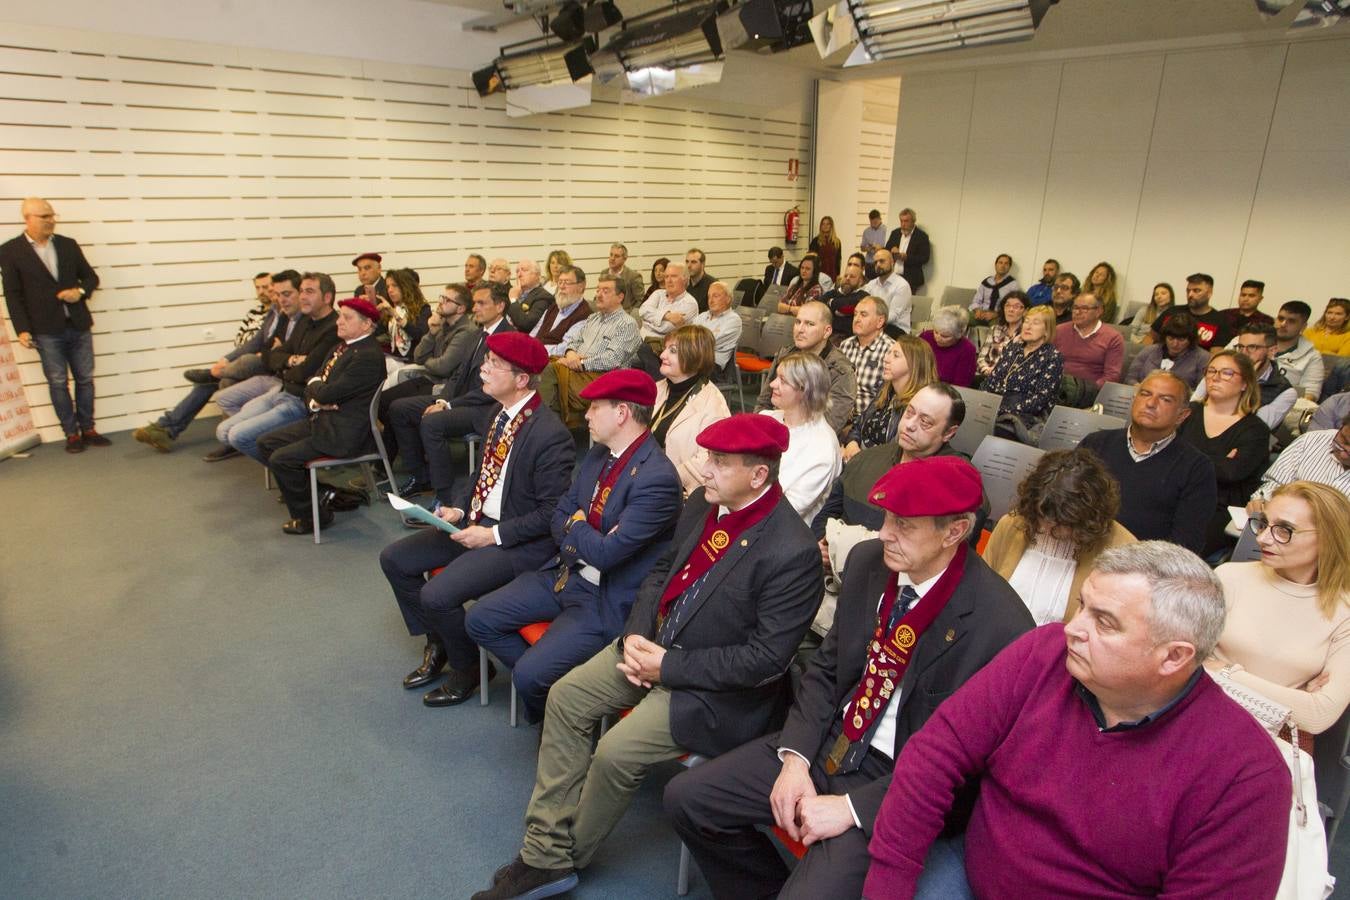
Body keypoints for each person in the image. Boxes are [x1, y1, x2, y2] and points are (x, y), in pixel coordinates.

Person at [471, 415, 823, 900]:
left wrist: (667, 667)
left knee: (615, 752)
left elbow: (764, 660)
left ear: (758, 475)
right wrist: (637, 634)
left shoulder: (792, 550)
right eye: (706, 457)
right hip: (651, 647)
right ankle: (546, 850)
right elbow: (661, 570)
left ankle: (558, 858)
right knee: (567, 697)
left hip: (710, 692)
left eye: (720, 462)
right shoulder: (704, 502)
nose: (704, 469)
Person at [665, 456, 1035, 900]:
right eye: (886, 518)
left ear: (954, 531)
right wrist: (796, 758)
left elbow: (961, 768)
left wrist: (852, 809)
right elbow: (825, 669)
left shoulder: (1002, 625)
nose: (884, 534)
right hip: (829, 740)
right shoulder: (869, 563)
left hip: (898, 779)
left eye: (904, 524)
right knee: (687, 799)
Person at [864, 541, 1291, 900]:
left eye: (1104, 622)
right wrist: (890, 884)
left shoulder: (1246, 776)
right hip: (971, 872)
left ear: (1174, 656)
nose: (1073, 629)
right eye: (1082, 606)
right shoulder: (1044, 653)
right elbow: (935, 756)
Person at [464, 369, 682, 724]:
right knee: (479, 619)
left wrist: (577, 525)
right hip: (566, 572)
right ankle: (560, 698)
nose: (587, 415)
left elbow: (606, 555)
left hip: (603, 598)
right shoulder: (600, 454)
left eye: (594, 408)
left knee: (529, 675)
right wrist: (580, 530)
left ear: (622, 413)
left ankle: (557, 709)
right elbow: (560, 513)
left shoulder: (657, 479)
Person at [377, 333, 575, 704]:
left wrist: (492, 535)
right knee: (395, 560)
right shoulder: (498, 414)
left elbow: (551, 514)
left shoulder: (550, 435)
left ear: (521, 379)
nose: (483, 367)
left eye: (494, 364)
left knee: (436, 594)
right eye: (486, 360)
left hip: (519, 542)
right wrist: (459, 508)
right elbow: (483, 474)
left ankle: (468, 669)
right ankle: (441, 640)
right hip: (477, 523)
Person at [1209, 480, 1350, 735]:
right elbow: (1179, 660)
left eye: (1285, 530)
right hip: (1197, 713)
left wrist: (1224, 671)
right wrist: (1290, 697)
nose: (1262, 538)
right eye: (1263, 524)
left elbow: (1318, 715)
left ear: (1328, 538)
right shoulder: (1229, 577)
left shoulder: (1345, 611)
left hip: (1260, 738)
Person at [256, 297, 387, 534]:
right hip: (324, 419)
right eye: (340, 315)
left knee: (281, 460)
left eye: (347, 317)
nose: (339, 321)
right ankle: (319, 494)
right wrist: (317, 402)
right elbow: (312, 382)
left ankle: (312, 517)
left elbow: (325, 389)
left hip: (345, 433)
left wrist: (319, 392)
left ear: (367, 324)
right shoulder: (342, 346)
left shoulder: (367, 355)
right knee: (265, 444)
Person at [388, 282, 514, 504]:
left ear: (500, 306)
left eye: (481, 303)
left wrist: (448, 406)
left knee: (432, 423)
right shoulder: (478, 335)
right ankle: (421, 476)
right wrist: (443, 400)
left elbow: (492, 389)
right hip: (462, 400)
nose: (475, 308)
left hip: (486, 408)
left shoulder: (509, 338)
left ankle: (445, 496)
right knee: (399, 409)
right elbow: (457, 375)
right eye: (474, 303)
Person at [983, 449, 1136, 624]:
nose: (1047, 527)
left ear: (1088, 518)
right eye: (1042, 516)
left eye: (1061, 523)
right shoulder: (1014, 524)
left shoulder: (1122, 550)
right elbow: (983, 591)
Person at [1, 197, 105, 452]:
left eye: (52, 215)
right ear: (28, 218)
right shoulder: (10, 251)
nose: (51, 221)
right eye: (45, 217)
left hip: (78, 323)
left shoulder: (68, 245)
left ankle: (88, 428)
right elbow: (12, 294)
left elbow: (91, 278)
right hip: (45, 329)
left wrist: (79, 292)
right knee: (58, 382)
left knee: (85, 379)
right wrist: (23, 329)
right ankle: (72, 434)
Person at [133, 273, 281, 451]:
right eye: (258, 288)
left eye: (267, 287)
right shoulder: (254, 313)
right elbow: (242, 342)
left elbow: (264, 345)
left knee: (215, 378)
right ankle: (167, 428)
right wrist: (225, 360)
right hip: (240, 364)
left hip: (260, 365)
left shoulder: (278, 313)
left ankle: (167, 426)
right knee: (215, 381)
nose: (264, 292)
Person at [816, 383, 971, 545]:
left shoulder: (958, 484)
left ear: (948, 432)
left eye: (925, 422)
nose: (910, 425)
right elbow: (827, 514)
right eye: (909, 412)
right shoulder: (866, 459)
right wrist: (821, 547)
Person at [1079, 372, 1216, 554]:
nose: (1151, 404)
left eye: (1165, 399)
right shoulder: (1096, 443)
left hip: (1142, 568)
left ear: (1182, 415)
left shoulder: (1196, 468)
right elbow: (1063, 502)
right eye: (1145, 394)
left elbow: (1185, 544)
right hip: (1081, 549)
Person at [213, 272, 341, 463]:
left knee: (237, 436)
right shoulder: (306, 321)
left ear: (327, 297)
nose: (303, 296)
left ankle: (290, 473)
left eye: (310, 291)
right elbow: (272, 355)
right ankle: (287, 467)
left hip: (299, 400)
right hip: (281, 389)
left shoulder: (334, 328)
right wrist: (292, 361)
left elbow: (306, 371)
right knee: (223, 432)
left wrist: (286, 363)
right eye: (302, 291)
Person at [376, 283, 479, 472]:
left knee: (397, 407)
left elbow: (443, 367)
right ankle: (410, 449)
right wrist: (431, 333)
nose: (441, 303)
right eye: (442, 297)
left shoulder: (465, 332)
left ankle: (401, 462)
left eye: (447, 300)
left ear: (461, 308)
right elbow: (418, 355)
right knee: (383, 401)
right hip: (431, 379)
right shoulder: (443, 326)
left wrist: (428, 361)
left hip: (444, 386)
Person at [1180, 349, 1271, 556]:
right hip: (1174, 492)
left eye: (1227, 373)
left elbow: (1231, 473)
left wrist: (1184, 456)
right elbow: (1164, 454)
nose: (1215, 377)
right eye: (1211, 371)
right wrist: (1217, 460)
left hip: (1217, 508)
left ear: (1245, 383)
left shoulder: (1255, 429)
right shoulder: (1187, 412)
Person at [539, 272, 641, 428]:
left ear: (620, 297)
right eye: (598, 290)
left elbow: (612, 359)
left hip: (605, 378)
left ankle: (539, 426)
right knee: (544, 371)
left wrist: (580, 362)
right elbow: (573, 341)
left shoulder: (627, 324)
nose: (599, 295)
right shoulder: (593, 318)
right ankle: (549, 428)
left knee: (548, 371)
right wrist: (571, 353)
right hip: (577, 372)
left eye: (605, 291)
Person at [761, 351, 843, 525]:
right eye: (776, 377)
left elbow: (786, 512)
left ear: (804, 390)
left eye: (783, 380)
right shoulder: (766, 418)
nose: (772, 384)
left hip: (780, 534)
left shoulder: (822, 448)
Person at [755, 301, 858, 438]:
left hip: (809, 439)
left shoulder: (841, 369)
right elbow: (764, 401)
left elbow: (831, 424)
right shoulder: (785, 353)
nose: (800, 329)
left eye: (809, 324)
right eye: (798, 322)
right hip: (775, 428)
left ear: (827, 331)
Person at [651, 325, 730, 496]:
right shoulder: (658, 388)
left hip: (679, 491)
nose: (662, 355)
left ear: (693, 356)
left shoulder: (713, 403)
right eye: (664, 349)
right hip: (645, 479)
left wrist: (664, 478)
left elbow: (710, 458)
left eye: (672, 351)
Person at [845, 334, 936, 459]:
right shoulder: (887, 389)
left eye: (896, 355)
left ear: (914, 364)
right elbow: (859, 424)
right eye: (889, 353)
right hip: (860, 455)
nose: (886, 359)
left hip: (879, 465)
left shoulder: (917, 406)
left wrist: (860, 458)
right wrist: (852, 443)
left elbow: (897, 455)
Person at [1195, 322, 1296, 431]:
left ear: (1272, 351)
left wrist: (1247, 382)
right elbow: (1194, 407)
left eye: (1252, 347)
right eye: (1240, 347)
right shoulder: (1218, 371)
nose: (1244, 353)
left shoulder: (1285, 392)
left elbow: (1254, 430)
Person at [985, 305, 1063, 441]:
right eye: (1026, 321)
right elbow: (992, 380)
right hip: (996, 406)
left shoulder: (1052, 357)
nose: (1028, 326)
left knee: (997, 429)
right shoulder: (1012, 348)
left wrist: (1004, 410)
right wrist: (984, 402)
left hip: (1025, 415)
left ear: (1047, 330)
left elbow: (1040, 400)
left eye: (1035, 323)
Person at [1248, 412, 1350, 510]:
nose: (1343, 454)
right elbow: (1276, 483)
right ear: (1341, 427)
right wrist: (1262, 501)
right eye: (1344, 440)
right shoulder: (1310, 441)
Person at [1054, 290, 1124, 405]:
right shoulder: (1059, 330)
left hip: (1090, 395)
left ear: (1099, 311)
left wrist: (1086, 392)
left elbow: (1112, 376)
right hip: (1057, 390)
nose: (1077, 312)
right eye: (1075, 307)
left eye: (1084, 308)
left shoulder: (1113, 338)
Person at [1124, 309, 1207, 389]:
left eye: (1181, 340)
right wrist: (1137, 386)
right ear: (1164, 337)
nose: (1175, 344)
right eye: (1170, 338)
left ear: (1191, 340)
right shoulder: (1149, 351)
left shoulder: (1202, 358)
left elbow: (1201, 392)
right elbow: (1130, 378)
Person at [839, 296, 894, 418]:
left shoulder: (890, 350)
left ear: (880, 321)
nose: (857, 319)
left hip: (865, 420)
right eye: (855, 314)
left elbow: (887, 399)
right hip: (838, 412)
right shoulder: (846, 345)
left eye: (863, 315)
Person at [1150, 272, 1233, 350]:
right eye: (1188, 291)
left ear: (1209, 293)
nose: (1190, 295)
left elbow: (1215, 355)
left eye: (1196, 291)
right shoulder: (1172, 311)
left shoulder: (1220, 321)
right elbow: (1153, 334)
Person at [528, 265, 591, 355]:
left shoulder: (584, 315)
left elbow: (564, 349)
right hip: (533, 355)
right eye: (560, 282)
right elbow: (534, 332)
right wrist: (526, 346)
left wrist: (535, 349)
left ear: (581, 286)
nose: (561, 286)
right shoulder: (553, 307)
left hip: (552, 363)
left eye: (566, 282)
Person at [1273, 300, 1325, 401]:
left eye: (1291, 321)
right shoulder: (1251, 342)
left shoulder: (1312, 357)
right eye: (1280, 318)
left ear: (1303, 326)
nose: (1283, 324)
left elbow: (1310, 394)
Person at [375, 267, 429, 363]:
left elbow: (420, 334)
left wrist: (395, 315)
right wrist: (372, 311)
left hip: (413, 361)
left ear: (405, 287)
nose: (390, 290)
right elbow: (376, 332)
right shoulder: (392, 309)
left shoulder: (423, 308)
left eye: (394, 285)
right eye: (388, 287)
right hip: (395, 359)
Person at [638, 262, 698, 347]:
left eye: (674, 276)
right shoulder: (658, 293)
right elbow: (642, 311)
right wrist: (667, 316)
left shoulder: (690, 303)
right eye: (666, 276)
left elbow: (664, 328)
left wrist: (648, 322)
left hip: (664, 347)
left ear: (685, 279)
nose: (669, 280)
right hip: (641, 341)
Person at [973, 290, 1027, 380]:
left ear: (1025, 311)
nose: (1011, 309)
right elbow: (981, 358)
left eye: (1016, 306)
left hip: (1009, 380)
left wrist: (998, 373)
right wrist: (987, 370)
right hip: (986, 376)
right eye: (1007, 305)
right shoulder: (995, 329)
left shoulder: (1026, 334)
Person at [690, 281, 742, 373]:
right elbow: (689, 335)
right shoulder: (702, 316)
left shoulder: (733, 320)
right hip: (695, 358)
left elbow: (709, 342)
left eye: (716, 296)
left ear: (728, 299)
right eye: (709, 296)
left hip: (713, 365)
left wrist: (691, 341)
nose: (710, 300)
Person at [919, 305, 976, 388]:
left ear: (959, 334)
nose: (937, 337)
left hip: (945, 393)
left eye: (945, 336)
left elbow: (960, 386)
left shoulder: (967, 349)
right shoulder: (926, 336)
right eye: (936, 331)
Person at [862, 249, 912, 335]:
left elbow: (892, 316)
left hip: (897, 329)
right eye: (875, 262)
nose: (878, 265)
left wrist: (870, 321)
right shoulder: (871, 284)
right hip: (876, 325)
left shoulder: (902, 285)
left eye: (882, 261)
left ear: (892, 262)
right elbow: (863, 305)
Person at [884, 207, 929, 295]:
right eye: (901, 221)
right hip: (893, 276)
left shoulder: (921, 236)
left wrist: (907, 258)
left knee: (906, 305)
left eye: (906, 221)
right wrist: (891, 250)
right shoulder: (895, 233)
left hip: (910, 278)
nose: (903, 224)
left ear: (913, 221)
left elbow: (924, 258)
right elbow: (886, 251)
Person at [821, 260, 868, 339]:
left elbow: (846, 304)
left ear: (860, 282)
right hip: (826, 335)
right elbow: (820, 306)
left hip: (851, 339)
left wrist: (831, 303)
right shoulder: (832, 293)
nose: (848, 279)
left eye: (852, 277)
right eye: (845, 276)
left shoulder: (863, 296)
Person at [504, 259, 553, 334]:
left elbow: (526, 324)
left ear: (537, 275)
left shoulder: (544, 296)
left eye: (524, 270)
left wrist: (513, 300)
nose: (519, 275)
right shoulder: (514, 293)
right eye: (517, 271)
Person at [969, 254, 1018, 324]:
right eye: (1000, 263)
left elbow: (1012, 305)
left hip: (997, 316)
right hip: (981, 313)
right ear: (995, 265)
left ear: (1009, 267)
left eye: (1006, 263)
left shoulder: (1013, 284)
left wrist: (996, 314)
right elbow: (976, 300)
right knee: (963, 319)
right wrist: (977, 310)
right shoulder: (986, 282)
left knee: (996, 328)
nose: (1003, 266)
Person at [604, 243, 644, 311]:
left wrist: (630, 315)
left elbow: (640, 301)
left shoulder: (634, 277)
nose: (612, 258)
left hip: (625, 316)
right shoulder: (604, 273)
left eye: (616, 256)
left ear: (624, 259)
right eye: (611, 255)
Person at [809, 215, 842, 281]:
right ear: (820, 226)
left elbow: (838, 260)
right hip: (819, 274)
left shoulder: (837, 242)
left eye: (828, 224)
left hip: (832, 274)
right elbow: (811, 259)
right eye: (823, 224)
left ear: (831, 226)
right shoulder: (815, 241)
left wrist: (838, 275)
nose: (825, 226)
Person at [860, 209, 887, 278]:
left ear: (880, 219)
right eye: (871, 222)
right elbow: (862, 247)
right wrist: (867, 248)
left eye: (875, 222)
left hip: (881, 262)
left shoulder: (886, 230)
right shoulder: (866, 231)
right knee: (868, 285)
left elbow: (889, 247)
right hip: (869, 263)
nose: (873, 224)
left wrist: (881, 248)